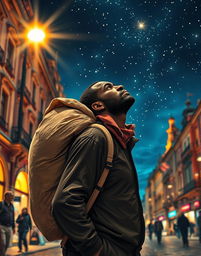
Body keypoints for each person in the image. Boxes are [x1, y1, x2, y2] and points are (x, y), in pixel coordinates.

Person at [52, 81, 145, 256]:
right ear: (97, 105)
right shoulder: (95, 137)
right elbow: (65, 202)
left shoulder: (119, 141)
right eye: (108, 87)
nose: (119, 86)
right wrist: (97, 250)